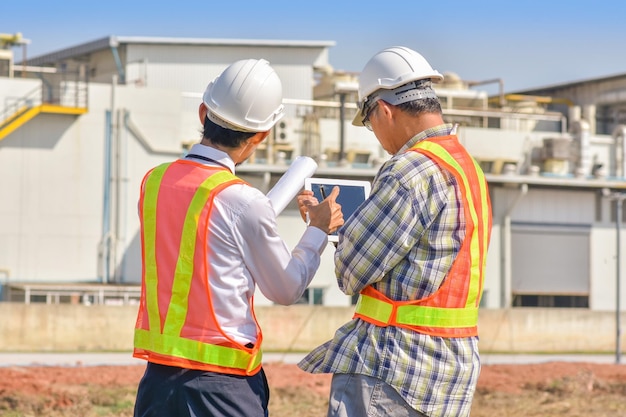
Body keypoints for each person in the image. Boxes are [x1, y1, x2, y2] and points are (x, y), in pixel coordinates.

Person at [132, 58, 344, 417]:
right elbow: (285, 289)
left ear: (203, 113)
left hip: (158, 381)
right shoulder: (243, 201)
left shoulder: (153, 181)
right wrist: (317, 231)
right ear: (262, 135)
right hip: (222, 387)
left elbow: (202, 245)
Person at [297, 46, 493, 417]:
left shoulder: (409, 170)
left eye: (370, 123)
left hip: (394, 370)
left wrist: (325, 228)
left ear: (384, 110)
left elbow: (351, 272)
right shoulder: (466, 168)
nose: (375, 134)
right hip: (447, 371)